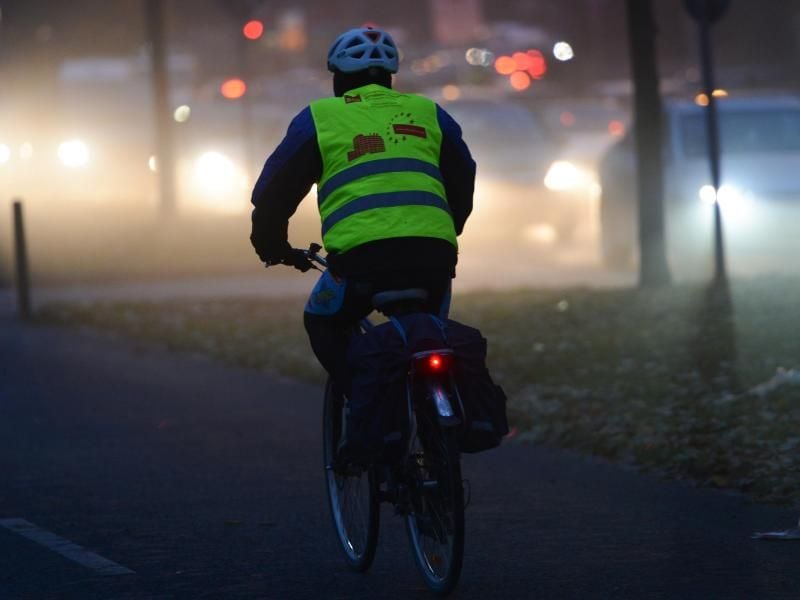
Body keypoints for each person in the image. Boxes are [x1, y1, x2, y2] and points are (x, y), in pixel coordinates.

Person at [250, 26, 475, 394]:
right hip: (434, 256)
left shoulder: (320, 118)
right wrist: (450, 227)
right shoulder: (429, 112)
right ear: (390, 77)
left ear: (338, 78)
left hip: (361, 262)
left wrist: (270, 245)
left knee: (322, 322)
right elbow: (463, 175)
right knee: (431, 333)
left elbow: (274, 192)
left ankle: (367, 404)